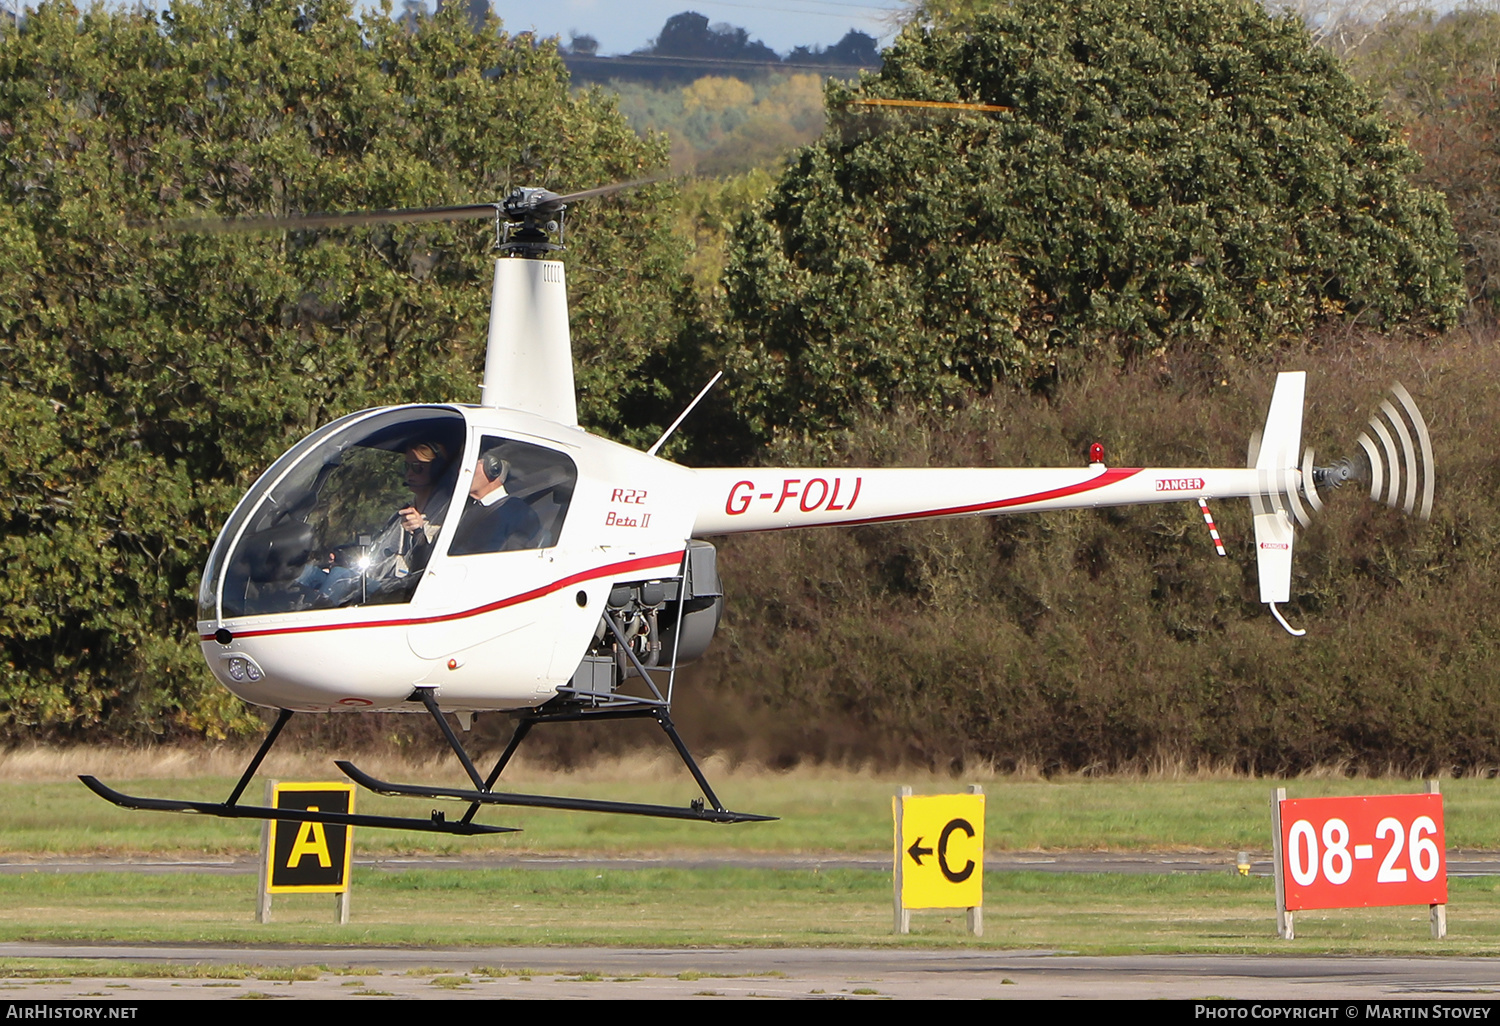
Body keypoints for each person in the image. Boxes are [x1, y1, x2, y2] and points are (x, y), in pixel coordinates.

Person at [449, 449, 542, 555]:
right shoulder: (466, 505)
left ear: (493, 470)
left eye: (474, 465)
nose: (462, 471)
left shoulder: (520, 515)